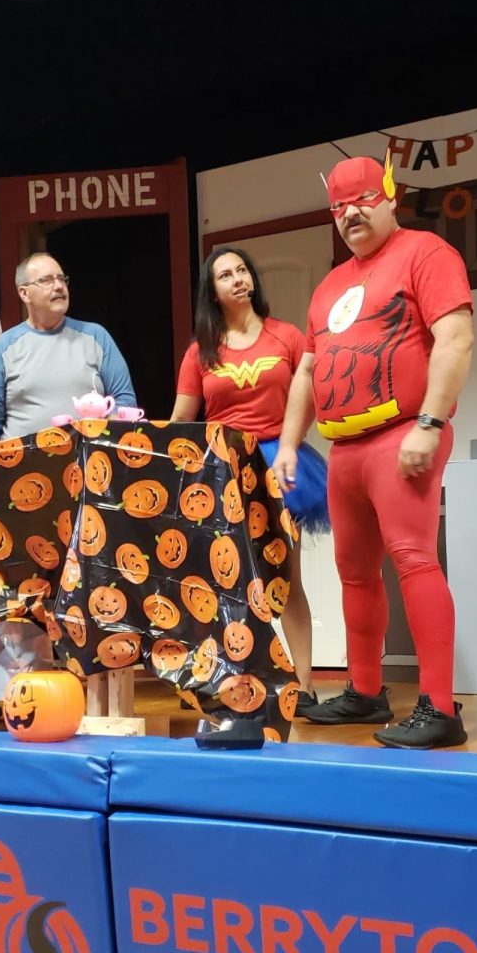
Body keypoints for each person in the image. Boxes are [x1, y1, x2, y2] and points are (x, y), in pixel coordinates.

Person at [273, 155, 474, 749]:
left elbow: (455, 336)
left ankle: (439, 706)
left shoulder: (426, 253)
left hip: (401, 432)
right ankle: (364, 691)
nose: (349, 213)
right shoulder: (332, 283)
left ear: (389, 196)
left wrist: (431, 421)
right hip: (344, 448)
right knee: (353, 572)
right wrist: (288, 442)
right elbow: (309, 369)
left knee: (413, 558)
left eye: (361, 199)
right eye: (337, 206)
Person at [171, 245, 329, 709]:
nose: (238, 279)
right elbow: (183, 419)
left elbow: (313, 399)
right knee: (230, 583)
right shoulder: (200, 351)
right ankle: (229, 683)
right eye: (226, 275)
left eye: (243, 271)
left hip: (282, 464)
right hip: (224, 472)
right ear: (212, 292)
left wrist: (291, 444)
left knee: (288, 578)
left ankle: (304, 686)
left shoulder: (287, 337)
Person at [0, 253, 137, 442]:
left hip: (90, 463)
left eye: (61, 278)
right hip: (22, 466)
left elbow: (124, 400)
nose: (59, 286)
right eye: (46, 280)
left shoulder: (96, 336)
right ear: (24, 293)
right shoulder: (3, 347)